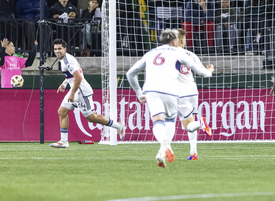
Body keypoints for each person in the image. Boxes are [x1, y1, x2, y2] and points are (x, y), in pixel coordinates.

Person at [126, 29, 212, 167]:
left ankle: (164, 148)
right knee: (171, 121)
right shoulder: (179, 52)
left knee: (158, 121)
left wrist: (139, 93)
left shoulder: (150, 53)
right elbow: (201, 72)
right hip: (171, 91)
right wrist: (209, 72)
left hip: (151, 90)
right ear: (174, 41)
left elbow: (130, 73)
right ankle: (167, 147)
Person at [50, 38, 125, 148]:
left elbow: (78, 78)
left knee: (92, 118)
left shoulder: (68, 61)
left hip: (81, 92)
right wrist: (64, 84)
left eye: (59, 49)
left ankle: (118, 126)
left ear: (65, 49)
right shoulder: (64, 59)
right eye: (55, 49)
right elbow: (71, 76)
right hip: (75, 90)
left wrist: (72, 93)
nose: (57, 51)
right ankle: (63, 141)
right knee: (62, 112)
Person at [173, 29, 214, 160]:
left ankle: (201, 123)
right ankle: (193, 153)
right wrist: (211, 69)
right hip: (193, 91)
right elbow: (203, 70)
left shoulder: (170, 54)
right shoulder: (191, 54)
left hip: (180, 93)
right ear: (182, 40)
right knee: (191, 123)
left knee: (188, 126)